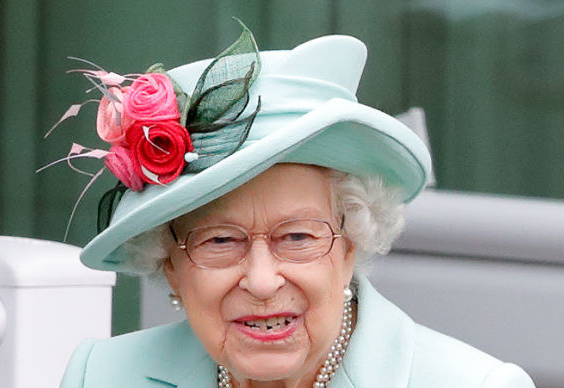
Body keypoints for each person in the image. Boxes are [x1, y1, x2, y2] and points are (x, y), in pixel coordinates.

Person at [55, 24, 536, 388]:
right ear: (171, 265)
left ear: (350, 246)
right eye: (220, 240)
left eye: (298, 237)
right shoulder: (101, 376)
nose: (263, 281)